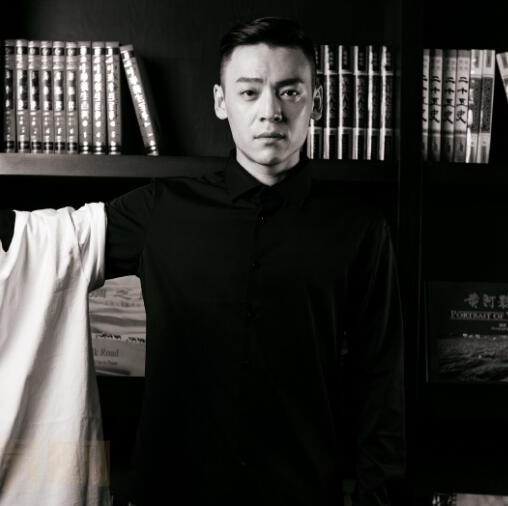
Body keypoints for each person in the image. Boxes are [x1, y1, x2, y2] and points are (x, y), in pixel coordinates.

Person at [105, 16, 404, 506]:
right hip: (173, 492)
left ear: (316, 102)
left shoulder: (360, 229)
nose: (271, 112)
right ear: (221, 102)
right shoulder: (160, 210)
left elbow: (382, 380)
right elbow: (41, 248)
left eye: (290, 92)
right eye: (249, 92)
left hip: (303, 493)